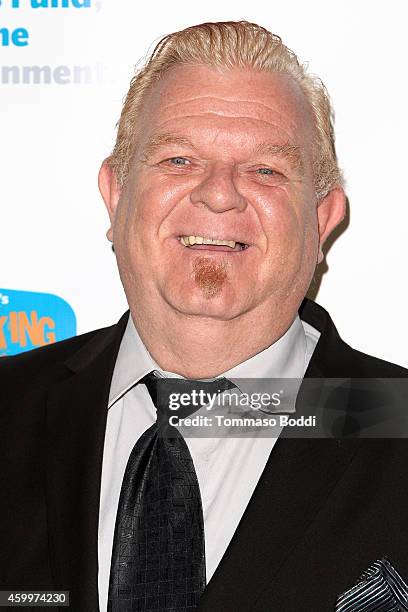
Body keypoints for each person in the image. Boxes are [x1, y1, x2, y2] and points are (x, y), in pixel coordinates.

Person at [1, 20, 408, 612]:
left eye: (266, 169)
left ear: (321, 221)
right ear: (116, 197)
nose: (219, 194)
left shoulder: (397, 424)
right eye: (178, 159)